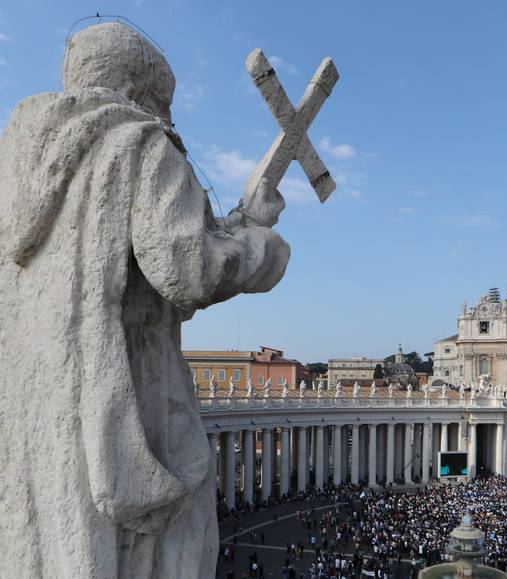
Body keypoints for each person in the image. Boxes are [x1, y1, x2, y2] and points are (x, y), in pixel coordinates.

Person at [0, 21, 290, 579]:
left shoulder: (16, 167)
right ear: (139, 94)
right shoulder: (138, 143)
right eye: (165, 105)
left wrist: (232, 220)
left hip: (36, 404)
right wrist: (259, 238)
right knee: (166, 538)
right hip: (129, 392)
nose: (170, 121)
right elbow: (188, 271)